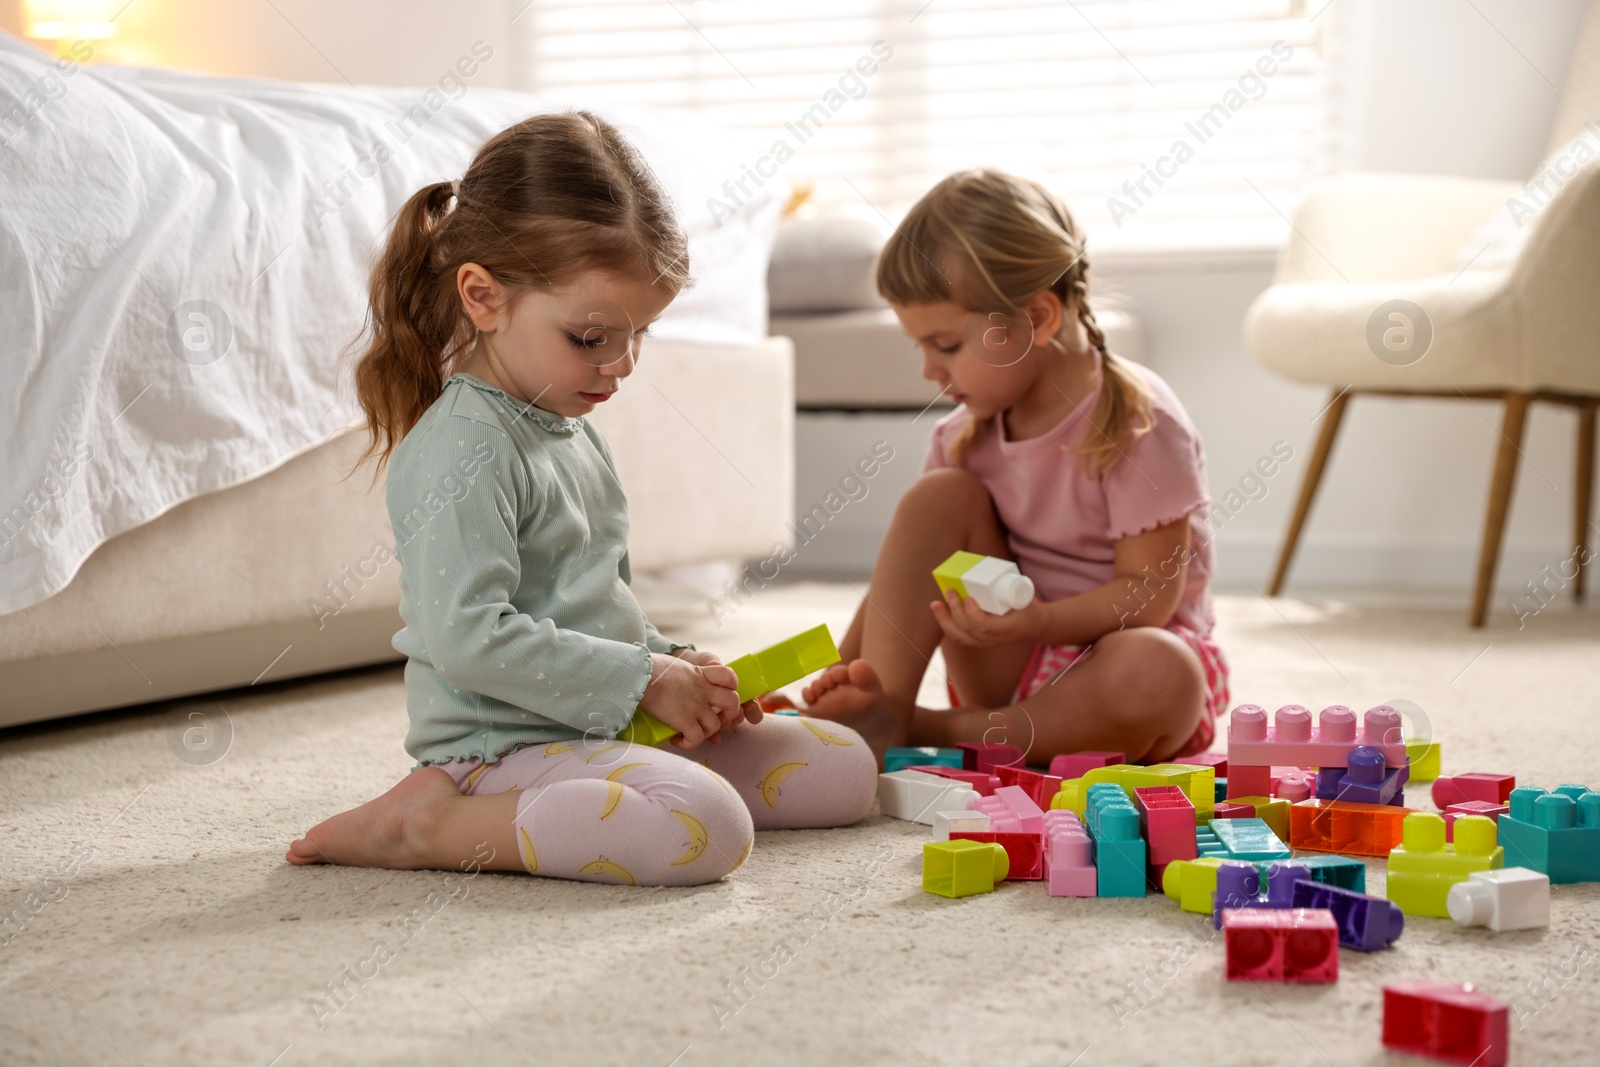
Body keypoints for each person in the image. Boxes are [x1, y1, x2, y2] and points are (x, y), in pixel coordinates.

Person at [287, 112, 875, 886]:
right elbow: (468, 637)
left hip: (605, 721)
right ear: (483, 297)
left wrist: (676, 665)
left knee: (844, 766)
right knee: (706, 827)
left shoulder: (567, 424)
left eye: (640, 336)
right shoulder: (462, 446)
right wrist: (643, 679)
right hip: (503, 748)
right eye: (592, 338)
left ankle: (621, 772)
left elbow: (598, 606)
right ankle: (428, 821)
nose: (621, 365)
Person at [803, 169, 1227, 770]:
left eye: (946, 346)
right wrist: (841, 683)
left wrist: (1041, 620)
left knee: (1159, 671)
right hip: (1007, 659)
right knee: (936, 499)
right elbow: (904, 579)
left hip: (1117, 666)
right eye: (920, 347)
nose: (928, 370)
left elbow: (1148, 597)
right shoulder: (963, 437)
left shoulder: (1138, 421)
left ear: (1039, 318)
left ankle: (924, 727)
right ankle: (879, 714)